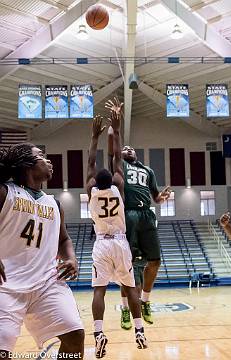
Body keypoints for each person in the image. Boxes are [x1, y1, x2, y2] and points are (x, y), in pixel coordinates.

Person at [0, 144, 84, 358]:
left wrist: (71, 258)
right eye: (41, 157)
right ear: (27, 164)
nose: (49, 161)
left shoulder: (54, 203)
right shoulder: (5, 193)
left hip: (46, 283)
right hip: (6, 285)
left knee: (75, 336)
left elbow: (63, 240)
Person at [86, 111, 147, 358]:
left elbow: (91, 163)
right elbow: (117, 161)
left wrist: (94, 138)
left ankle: (99, 333)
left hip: (101, 244)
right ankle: (140, 330)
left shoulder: (91, 191)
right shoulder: (118, 187)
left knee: (98, 291)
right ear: (112, 180)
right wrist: (117, 130)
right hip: (121, 243)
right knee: (131, 288)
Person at [106, 99, 171, 326]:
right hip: (128, 215)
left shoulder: (148, 170)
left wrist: (162, 198)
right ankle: (125, 309)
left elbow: (155, 198)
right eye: (125, 149)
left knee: (155, 261)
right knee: (128, 266)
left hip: (147, 215)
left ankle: (145, 301)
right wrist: (115, 126)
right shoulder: (120, 167)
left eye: (131, 148)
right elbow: (115, 149)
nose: (128, 149)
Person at [120, 254, 147, 330]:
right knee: (129, 284)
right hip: (129, 255)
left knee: (140, 287)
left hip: (142, 257)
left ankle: (141, 305)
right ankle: (125, 309)